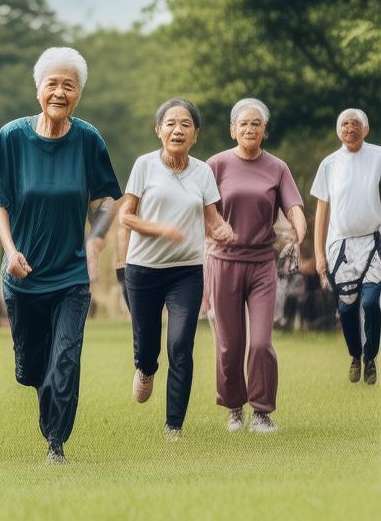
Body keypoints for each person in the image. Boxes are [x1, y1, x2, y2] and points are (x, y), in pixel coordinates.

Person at [0, 46, 121, 464]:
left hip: (71, 276)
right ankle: (45, 404)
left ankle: (56, 443)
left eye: (69, 86)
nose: (60, 92)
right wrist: (10, 251)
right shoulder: (12, 137)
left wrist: (95, 239)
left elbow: (107, 200)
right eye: (52, 84)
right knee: (32, 369)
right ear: (38, 88)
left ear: (79, 93)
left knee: (65, 359)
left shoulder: (88, 139)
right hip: (23, 276)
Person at [120, 98, 235, 439]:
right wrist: (160, 229)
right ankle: (145, 368)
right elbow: (126, 215)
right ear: (159, 130)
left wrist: (223, 230)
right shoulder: (144, 165)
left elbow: (212, 218)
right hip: (143, 270)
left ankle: (174, 426)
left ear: (195, 134)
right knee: (147, 345)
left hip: (186, 271)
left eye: (186, 124)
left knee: (181, 343)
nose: (177, 130)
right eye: (170, 123)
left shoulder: (203, 172)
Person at [205, 99, 305, 433]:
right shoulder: (216, 165)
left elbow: (294, 207)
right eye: (244, 124)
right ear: (233, 130)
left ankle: (261, 412)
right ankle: (234, 408)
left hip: (262, 264)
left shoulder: (277, 167)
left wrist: (299, 233)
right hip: (224, 262)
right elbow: (202, 210)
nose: (250, 129)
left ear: (264, 130)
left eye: (256, 124)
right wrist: (215, 229)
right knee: (230, 344)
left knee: (261, 343)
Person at [310, 108, 381, 385]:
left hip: (373, 242)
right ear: (338, 130)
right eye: (345, 124)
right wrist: (319, 254)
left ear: (366, 129)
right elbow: (322, 211)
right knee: (348, 307)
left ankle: (370, 357)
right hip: (340, 246)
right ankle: (355, 354)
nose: (350, 129)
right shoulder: (329, 164)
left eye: (355, 124)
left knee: (370, 302)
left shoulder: (378, 156)